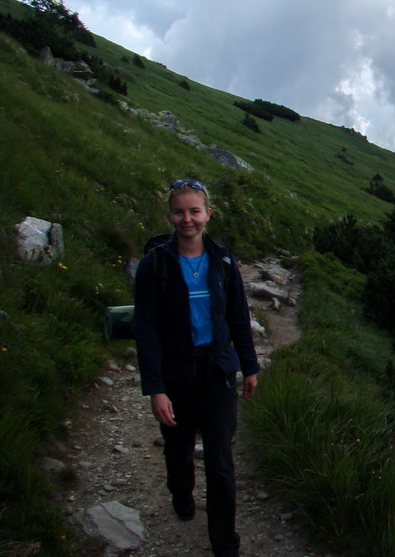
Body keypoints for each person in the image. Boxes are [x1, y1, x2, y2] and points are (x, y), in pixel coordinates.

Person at [133, 179, 259, 557]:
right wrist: (156, 389)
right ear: (170, 214)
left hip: (218, 370)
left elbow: (239, 315)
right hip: (176, 373)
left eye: (194, 211)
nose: (186, 219)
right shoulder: (154, 265)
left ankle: (225, 542)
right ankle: (181, 493)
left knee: (220, 459)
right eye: (179, 211)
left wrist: (249, 366)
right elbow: (146, 330)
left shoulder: (222, 261)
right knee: (178, 449)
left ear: (207, 214)